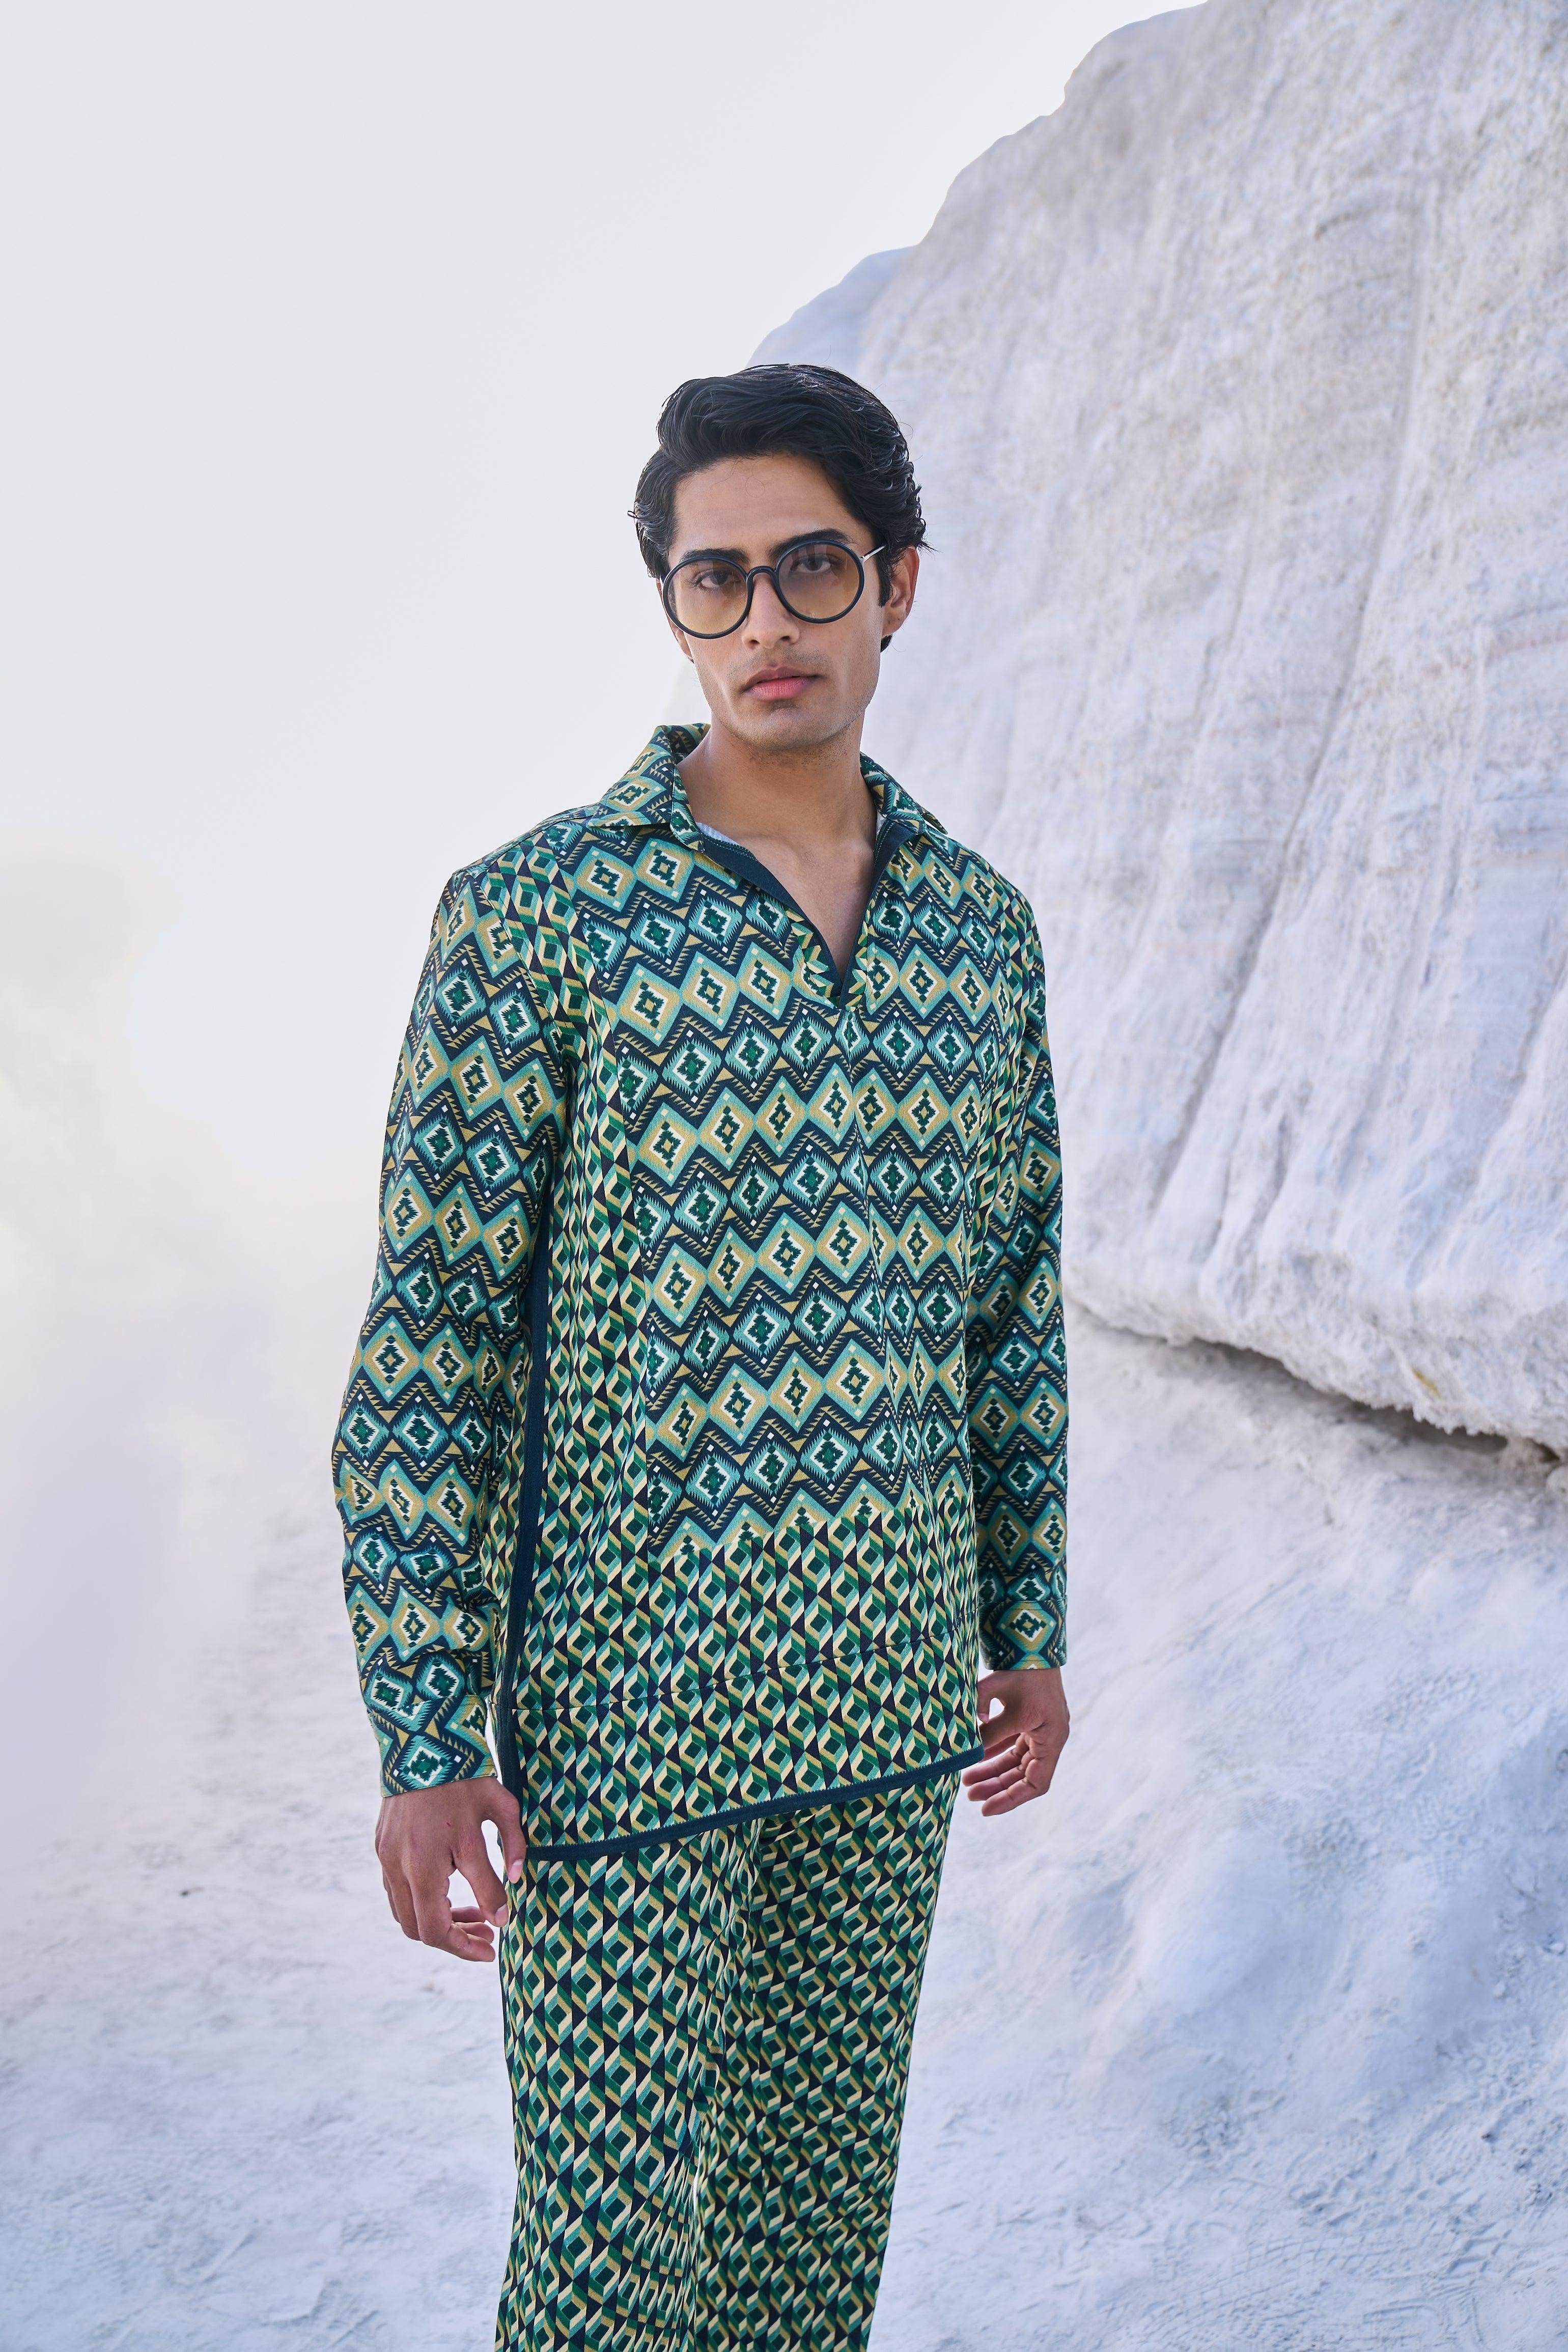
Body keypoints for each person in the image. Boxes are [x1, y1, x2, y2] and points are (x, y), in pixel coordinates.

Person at [332, 362, 1070, 2350]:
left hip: (887, 1705)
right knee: (605, 2276)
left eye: (809, 568)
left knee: (806, 2254)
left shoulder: (978, 937)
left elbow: (1006, 1309)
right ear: (670, 603)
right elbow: (432, 1349)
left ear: (894, 582)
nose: (762, 622)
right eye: (713, 579)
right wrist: (425, 1733)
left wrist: (1026, 1624)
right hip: (628, 1728)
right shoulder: (538, 920)